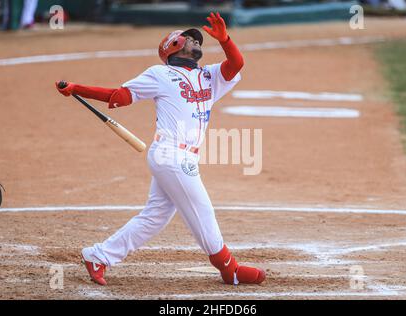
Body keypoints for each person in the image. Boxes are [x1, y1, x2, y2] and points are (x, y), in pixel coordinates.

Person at [56, 12, 265, 286]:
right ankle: (230, 270)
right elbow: (119, 96)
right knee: (203, 212)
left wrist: (225, 40)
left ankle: (99, 256)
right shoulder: (160, 74)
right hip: (172, 157)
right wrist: (77, 88)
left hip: (180, 157)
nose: (195, 41)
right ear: (173, 46)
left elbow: (236, 63)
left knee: (154, 217)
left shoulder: (209, 76)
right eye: (189, 38)